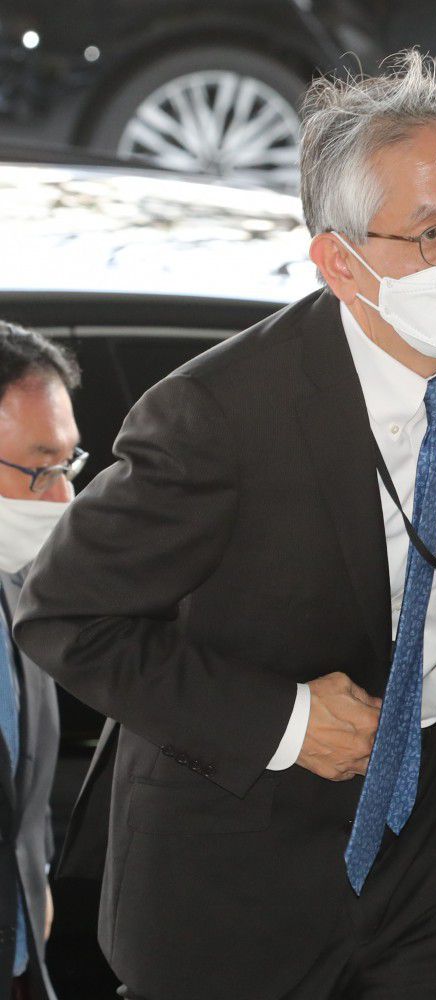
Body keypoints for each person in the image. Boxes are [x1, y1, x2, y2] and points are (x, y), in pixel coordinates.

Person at [14, 51, 436, 1000]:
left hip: (435, 845)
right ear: (341, 262)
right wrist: (288, 722)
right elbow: (62, 616)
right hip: (236, 863)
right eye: (433, 234)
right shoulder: (218, 414)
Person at [0, 322, 84, 1000]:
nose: (64, 499)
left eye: (68, 465)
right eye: (41, 468)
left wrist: (36, 881)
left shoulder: (21, 587)